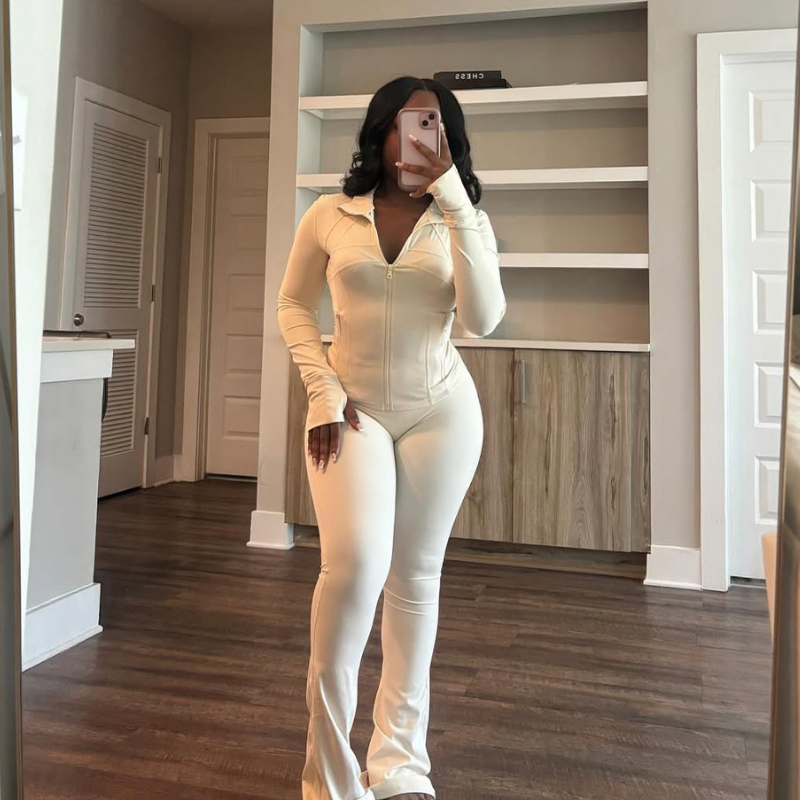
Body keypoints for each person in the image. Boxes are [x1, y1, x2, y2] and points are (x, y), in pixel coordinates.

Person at [276, 75, 507, 800]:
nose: (417, 138)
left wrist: (454, 200)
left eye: (434, 125)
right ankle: (329, 777)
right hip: (352, 409)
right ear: (380, 132)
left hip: (442, 411)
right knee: (353, 567)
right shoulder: (330, 213)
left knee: (415, 578)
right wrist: (321, 387)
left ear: (450, 138)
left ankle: (400, 765)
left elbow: (484, 320)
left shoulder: (464, 217)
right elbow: (292, 304)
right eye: (406, 123)